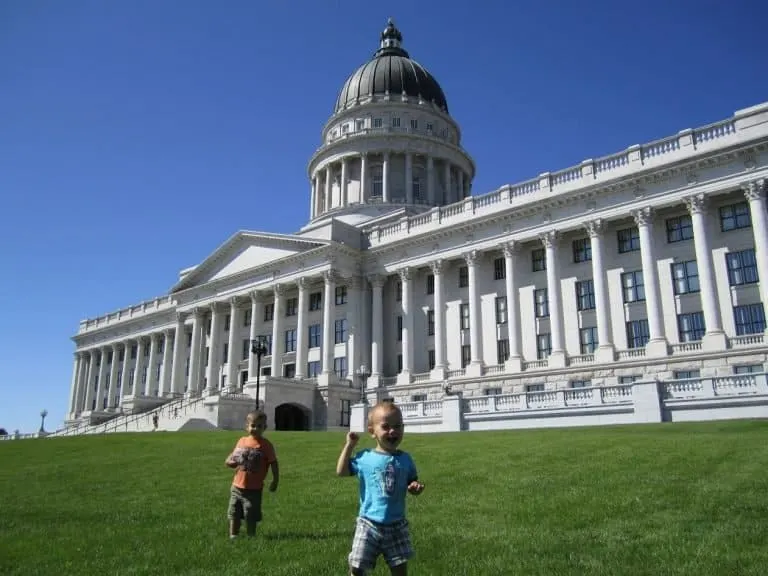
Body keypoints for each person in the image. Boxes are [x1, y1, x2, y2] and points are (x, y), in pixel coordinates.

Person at [336, 401, 425, 575]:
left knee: (400, 570)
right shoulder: (365, 457)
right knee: (356, 568)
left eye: (398, 426)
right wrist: (350, 446)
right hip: (368, 524)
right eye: (386, 427)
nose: (393, 431)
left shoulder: (406, 459)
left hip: (397, 524)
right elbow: (341, 471)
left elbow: (412, 481)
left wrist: (415, 487)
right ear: (372, 432)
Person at [224, 410, 279, 539]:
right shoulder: (242, 441)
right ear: (247, 427)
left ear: (264, 428)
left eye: (259, 426)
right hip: (237, 486)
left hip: (254, 489)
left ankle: (251, 536)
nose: (255, 429)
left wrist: (275, 480)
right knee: (234, 513)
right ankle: (233, 535)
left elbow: (274, 463)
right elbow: (233, 456)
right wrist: (228, 461)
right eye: (253, 425)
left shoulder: (266, 445)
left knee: (251, 514)